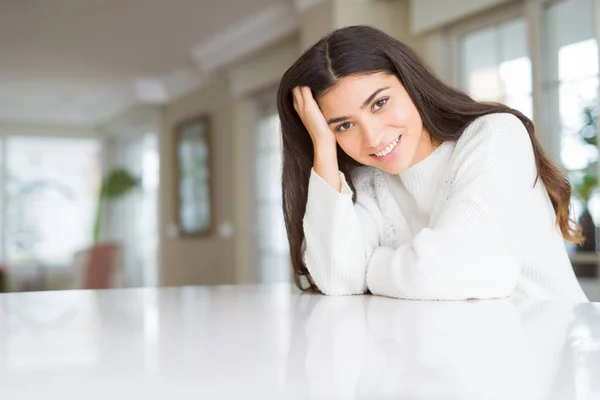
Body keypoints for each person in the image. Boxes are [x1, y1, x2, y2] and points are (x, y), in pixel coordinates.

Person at [277, 25, 588, 302]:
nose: (372, 138)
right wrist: (323, 147)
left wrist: (371, 267)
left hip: (553, 354)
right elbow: (337, 278)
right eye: (343, 125)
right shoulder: (370, 179)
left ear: (410, 83)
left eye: (379, 103)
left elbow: (448, 272)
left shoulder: (495, 135)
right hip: (465, 357)